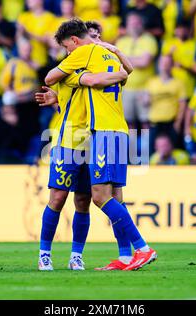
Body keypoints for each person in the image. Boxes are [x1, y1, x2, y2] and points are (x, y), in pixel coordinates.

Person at [45, 19, 157, 271]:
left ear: (74, 41)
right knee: (115, 196)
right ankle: (127, 256)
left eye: (67, 47)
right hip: (119, 130)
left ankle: (143, 248)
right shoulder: (111, 57)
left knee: (98, 197)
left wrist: (82, 77)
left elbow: (52, 76)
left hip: (104, 133)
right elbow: (126, 71)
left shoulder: (85, 52)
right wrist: (116, 56)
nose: (68, 53)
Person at [116, 12, 158, 130]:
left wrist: (126, 59)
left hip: (145, 89)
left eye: (137, 22)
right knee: (129, 124)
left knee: (146, 123)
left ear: (142, 24)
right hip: (126, 89)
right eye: (131, 22)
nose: (134, 25)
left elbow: (145, 62)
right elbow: (116, 63)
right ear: (127, 25)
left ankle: (146, 149)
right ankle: (132, 149)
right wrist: (136, 59)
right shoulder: (121, 41)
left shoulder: (149, 40)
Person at [144, 54, 187, 150]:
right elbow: (146, 102)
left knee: (173, 151)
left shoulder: (179, 83)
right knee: (152, 152)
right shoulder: (151, 82)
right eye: (163, 62)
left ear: (172, 65)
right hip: (155, 122)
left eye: (167, 63)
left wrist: (178, 123)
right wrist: (144, 100)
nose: (164, 65)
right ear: (158, 64)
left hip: (171, 123)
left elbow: (183, 105)